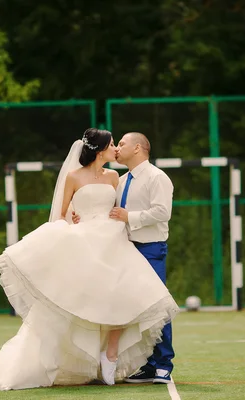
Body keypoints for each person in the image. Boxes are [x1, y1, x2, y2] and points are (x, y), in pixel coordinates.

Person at [0, 128, 179, 391]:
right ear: (99, 149)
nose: (116, 148)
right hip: (90, 243)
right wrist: (75, 216)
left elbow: (126, 209)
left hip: (117, 243)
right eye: (112, 144)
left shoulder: (119, 177)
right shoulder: (87, 177)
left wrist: (124, 218)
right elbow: (67, 211)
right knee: (83, 301)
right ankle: (84, 360)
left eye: (119, 143)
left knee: (132, 299)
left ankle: (134, 360)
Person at [73, 132, 175, 384]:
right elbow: (107, 210)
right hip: (123, 248)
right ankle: (148, 365)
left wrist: (130, 217)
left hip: (150, 247)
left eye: (121, 144)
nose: (117, 148)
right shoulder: (120, 179)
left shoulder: (157, 177)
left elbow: (163, 213)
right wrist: (81, 217)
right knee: (128, 307)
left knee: (156, 304)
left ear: (138, 148)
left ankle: (163, 364)